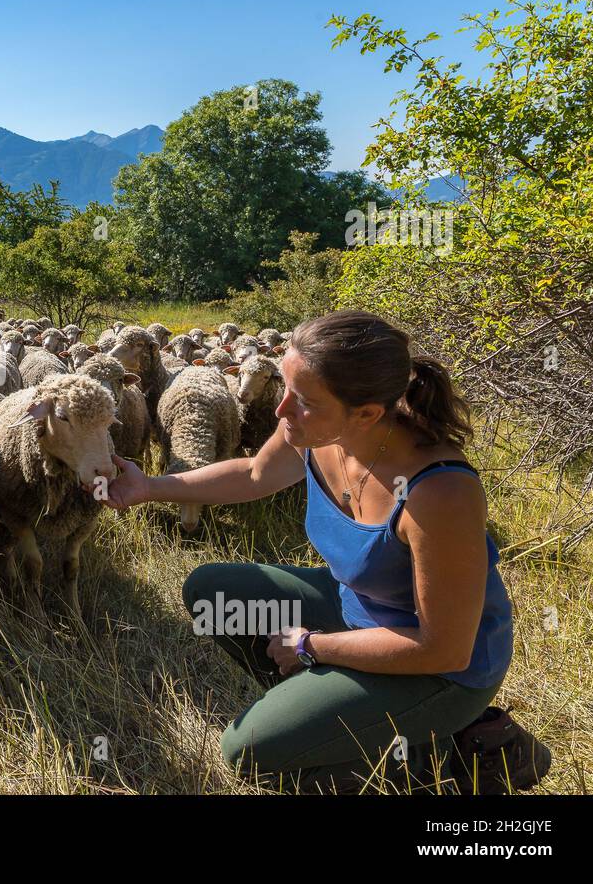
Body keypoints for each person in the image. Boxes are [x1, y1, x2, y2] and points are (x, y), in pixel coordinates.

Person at [103, 310, 549, 793]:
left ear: (368, 413)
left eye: (304, 400)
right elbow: (254, 473)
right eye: (287, 389)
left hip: (442, 670)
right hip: (355, 609)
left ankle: (462, 759)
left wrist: (311, 646)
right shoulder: (320, 432)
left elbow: (440, 646)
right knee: (213, 595)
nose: (281, 410)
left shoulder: (439, 492)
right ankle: (332, 724)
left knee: (249, 754)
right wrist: (149, 486)